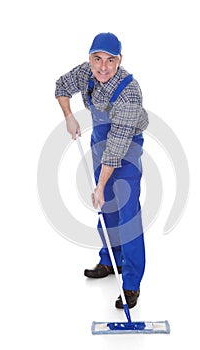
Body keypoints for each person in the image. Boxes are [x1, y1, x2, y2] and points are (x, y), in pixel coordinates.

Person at [55, 32, 149, 309]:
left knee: (127, 213)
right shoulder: (85, 73)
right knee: (105, 206)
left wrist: (100, 185)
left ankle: (131, 284)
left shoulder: (130, 92)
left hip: (126, 148)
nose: (103, 66)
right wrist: (69, 118)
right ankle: (110, 261)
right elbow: (61, 86)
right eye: (98, 59)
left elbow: (118, 146)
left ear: (120, 60)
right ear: (90, 59)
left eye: (110, 60)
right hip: (99, 143)